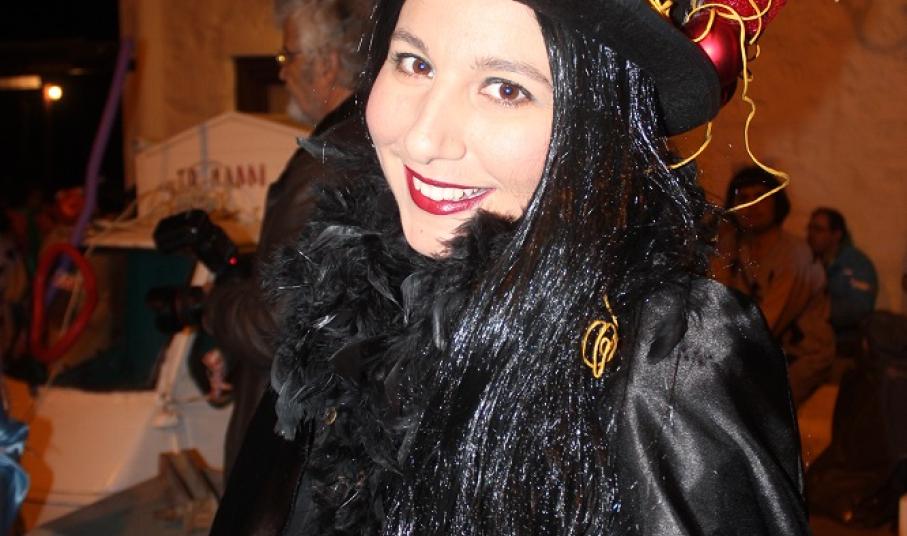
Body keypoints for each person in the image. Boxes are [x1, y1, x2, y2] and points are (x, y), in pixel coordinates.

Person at [212, 0, 809, 534]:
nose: (422, 140)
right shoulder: (352, 287)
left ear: (597, 123)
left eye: (504, 89)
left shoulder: (669, 361)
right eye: (415, 64)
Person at [201, 0, 368, 478]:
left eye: (287, 56)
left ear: (328, 63)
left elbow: (279, 328)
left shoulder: (329, 165)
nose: (281, 72)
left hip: (291, 457)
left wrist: (214, 305)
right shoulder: (358, 144)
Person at [712, 167, 835, 405]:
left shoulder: (795, 256)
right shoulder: (733, 247)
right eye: (743, 198)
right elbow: (714, 301)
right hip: (754, 351)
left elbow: (766, 324)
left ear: (777, 203)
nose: (752, 205)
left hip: (801, 358)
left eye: (761, 196)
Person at [807, 207, 878, 355]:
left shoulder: (857, 264)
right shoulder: (806, 259)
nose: (811, 234)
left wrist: (821, 311)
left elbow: (860, 308)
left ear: (836, 235)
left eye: (818, 230)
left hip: (843, 343)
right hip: (809, 339)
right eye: (810, 228)